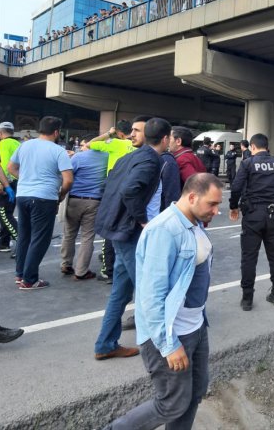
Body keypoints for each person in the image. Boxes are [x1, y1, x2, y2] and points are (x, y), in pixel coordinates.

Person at [103, 173, 222, 430]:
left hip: (195, 327)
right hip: (170, 333)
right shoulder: (165, 230)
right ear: (192, 197)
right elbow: (150, 296)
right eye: (212, 204)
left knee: (195, 392)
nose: (217, 210)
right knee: (171, 403)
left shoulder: (194, 223)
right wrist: (168, 345)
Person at [93, 118, 171, 360]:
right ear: (166, 139)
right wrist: (142, 220)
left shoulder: (130, 156)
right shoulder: (150, 160)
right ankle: (163, 345)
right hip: (128, 231)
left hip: (116, 227)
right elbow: (129, 190)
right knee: (149, 288)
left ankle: (105, 344)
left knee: (121, 289)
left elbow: (106, 186)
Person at [8, 117, 73, 290]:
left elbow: (10, 167)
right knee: (40, 239)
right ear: (57, 132)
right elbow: (68, 180)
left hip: (22, 196)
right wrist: (61, 195)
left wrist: (26, 180)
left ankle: (20, 274)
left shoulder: (25, 145)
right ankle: (30, 280)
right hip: (45, 197)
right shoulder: (58, 150)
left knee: (24, 236)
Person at [229, 134, 274, 311]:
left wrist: (233, 207)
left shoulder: (248, 163)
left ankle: (247, 299)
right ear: (267, 146)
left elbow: (236, 187)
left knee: (249, 257)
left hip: (253, 215)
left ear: (253, 147)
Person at [87, 120, 135, 284]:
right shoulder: (139, 146)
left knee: (109, 228)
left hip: (114, 190)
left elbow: (90, 144)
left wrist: (108, 133)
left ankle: (108, 270)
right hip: (133, 190)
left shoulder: (115, 143)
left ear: (120, 133)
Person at [60, 136, 108, 280]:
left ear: (88, 144)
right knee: (87, 236)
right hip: (94, 202)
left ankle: (66, 264)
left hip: (73, 200)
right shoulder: (107, 157)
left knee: (69, 233)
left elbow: (67, 177)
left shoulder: (78, 157)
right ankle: (81, 271)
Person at [0, 122, 19, 253]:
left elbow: (3, 167)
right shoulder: (19, 144)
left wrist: (1, 184)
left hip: (7, 183)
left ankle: (21, 240)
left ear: (0, 133)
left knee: (5, 215)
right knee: (7, 214)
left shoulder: (2, 144)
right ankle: (4, 242)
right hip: (17, 182)